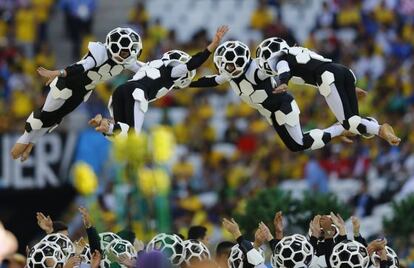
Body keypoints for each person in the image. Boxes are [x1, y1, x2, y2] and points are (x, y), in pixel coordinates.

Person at [190, 40, 351, 152]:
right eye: (222, 63)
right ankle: (337, 129)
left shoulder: (257, 70)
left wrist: (284, 76)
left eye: (229, 64)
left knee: (299, 144)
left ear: (240, 60)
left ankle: (337, 130)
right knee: (295, 146)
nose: (224, 67)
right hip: (270, 112)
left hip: (282, 106)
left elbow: (282, 66)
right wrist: (186, 83)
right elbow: (212, 81)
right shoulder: (229, 74)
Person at [11, 27, 143, 162]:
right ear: (115, 48)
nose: (127, 54)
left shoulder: (126, 61)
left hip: (82, 91)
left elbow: (146, 69)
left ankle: (31, 144)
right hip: (67, 83)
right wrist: (58, 73)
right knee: (46, 114)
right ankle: (26, 138)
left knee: (57, 117)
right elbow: (81, 66)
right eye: (125, 51)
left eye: (129, 52)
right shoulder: (100, 52)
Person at [255, 37, 401, 146]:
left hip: (327, 77)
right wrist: (351, 88)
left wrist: (284, 82)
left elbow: (283, 69)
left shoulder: (282, 59)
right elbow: (314, 68)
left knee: (350, 123)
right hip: (341, 71)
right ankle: (371, 127)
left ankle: (381, 129)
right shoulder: (298, 52)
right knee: (352, 121)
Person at [89, 26, 229, 138]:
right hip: (137, 93)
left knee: (122, 136)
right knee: (133, 136)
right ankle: (108, 126)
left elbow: (128, 62)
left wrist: (105, 49)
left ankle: (104, 123)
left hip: (120, 90)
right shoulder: (172, 73)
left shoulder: (149, 65)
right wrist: (212, 46)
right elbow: (194, 63)